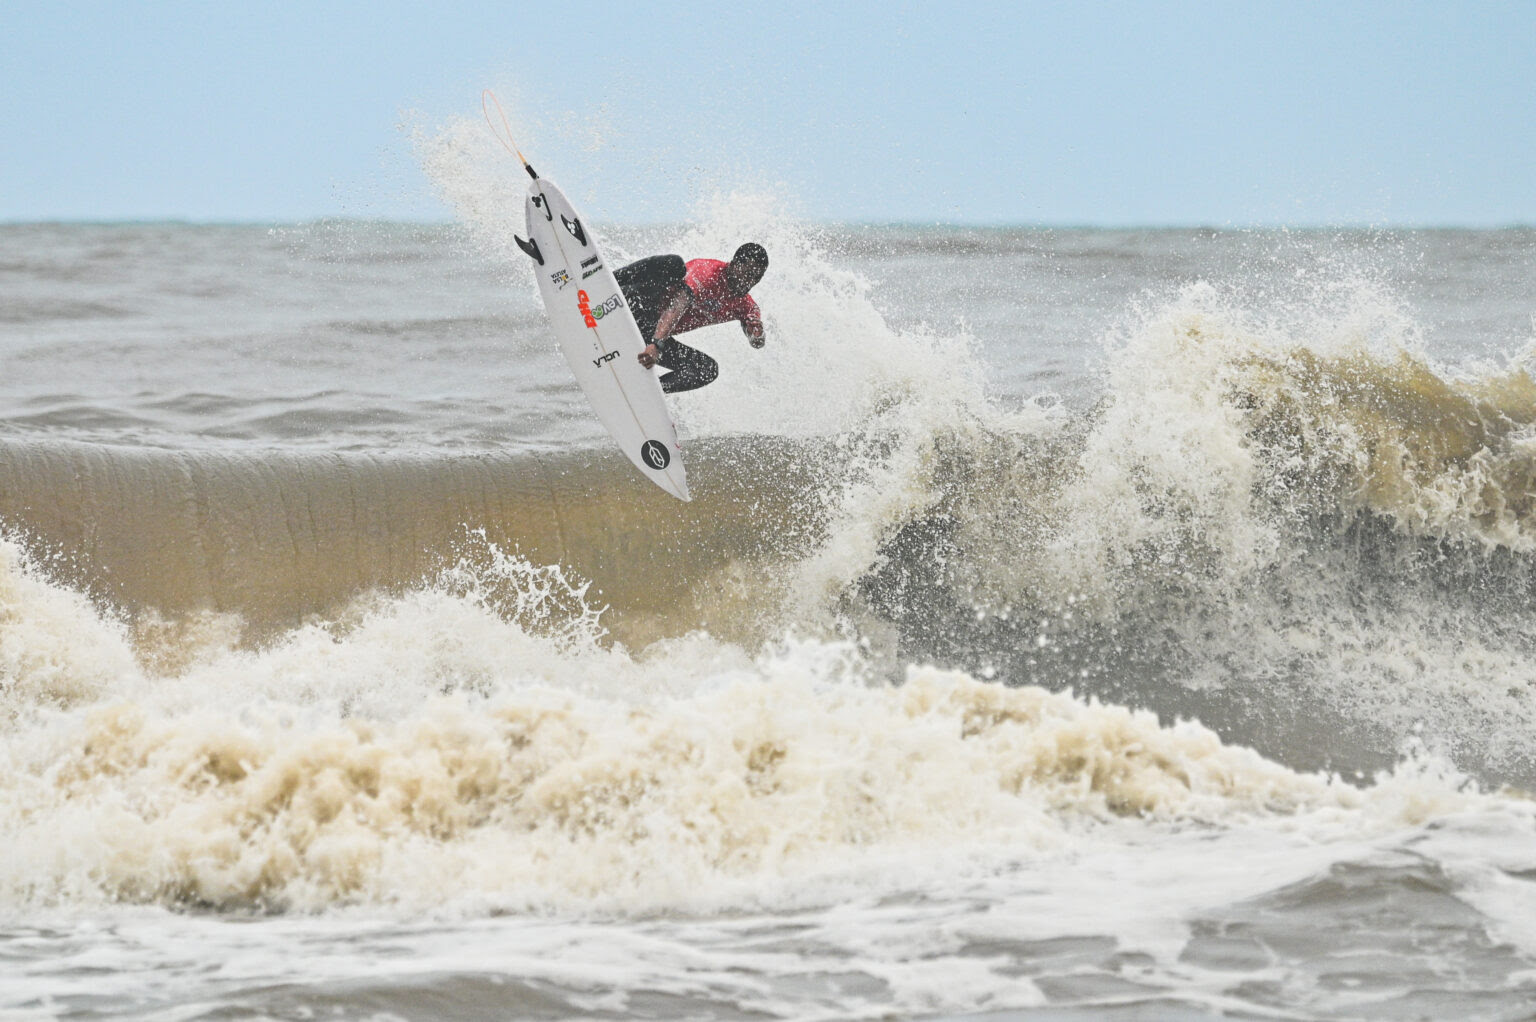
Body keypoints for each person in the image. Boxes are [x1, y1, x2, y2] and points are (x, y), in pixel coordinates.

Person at [613, 243, 768, 393]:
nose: (750, 282)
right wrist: (656, 344)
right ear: (734, 264)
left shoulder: (746, 306)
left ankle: (645, 393)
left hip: (649, 333)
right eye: (747, 274)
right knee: (674, 264)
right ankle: (607, 282)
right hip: (636, 305)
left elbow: (757, 343)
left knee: (707, 369)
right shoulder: (707, 272)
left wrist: (757, 334)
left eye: (757, 277)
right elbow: (677, 305)